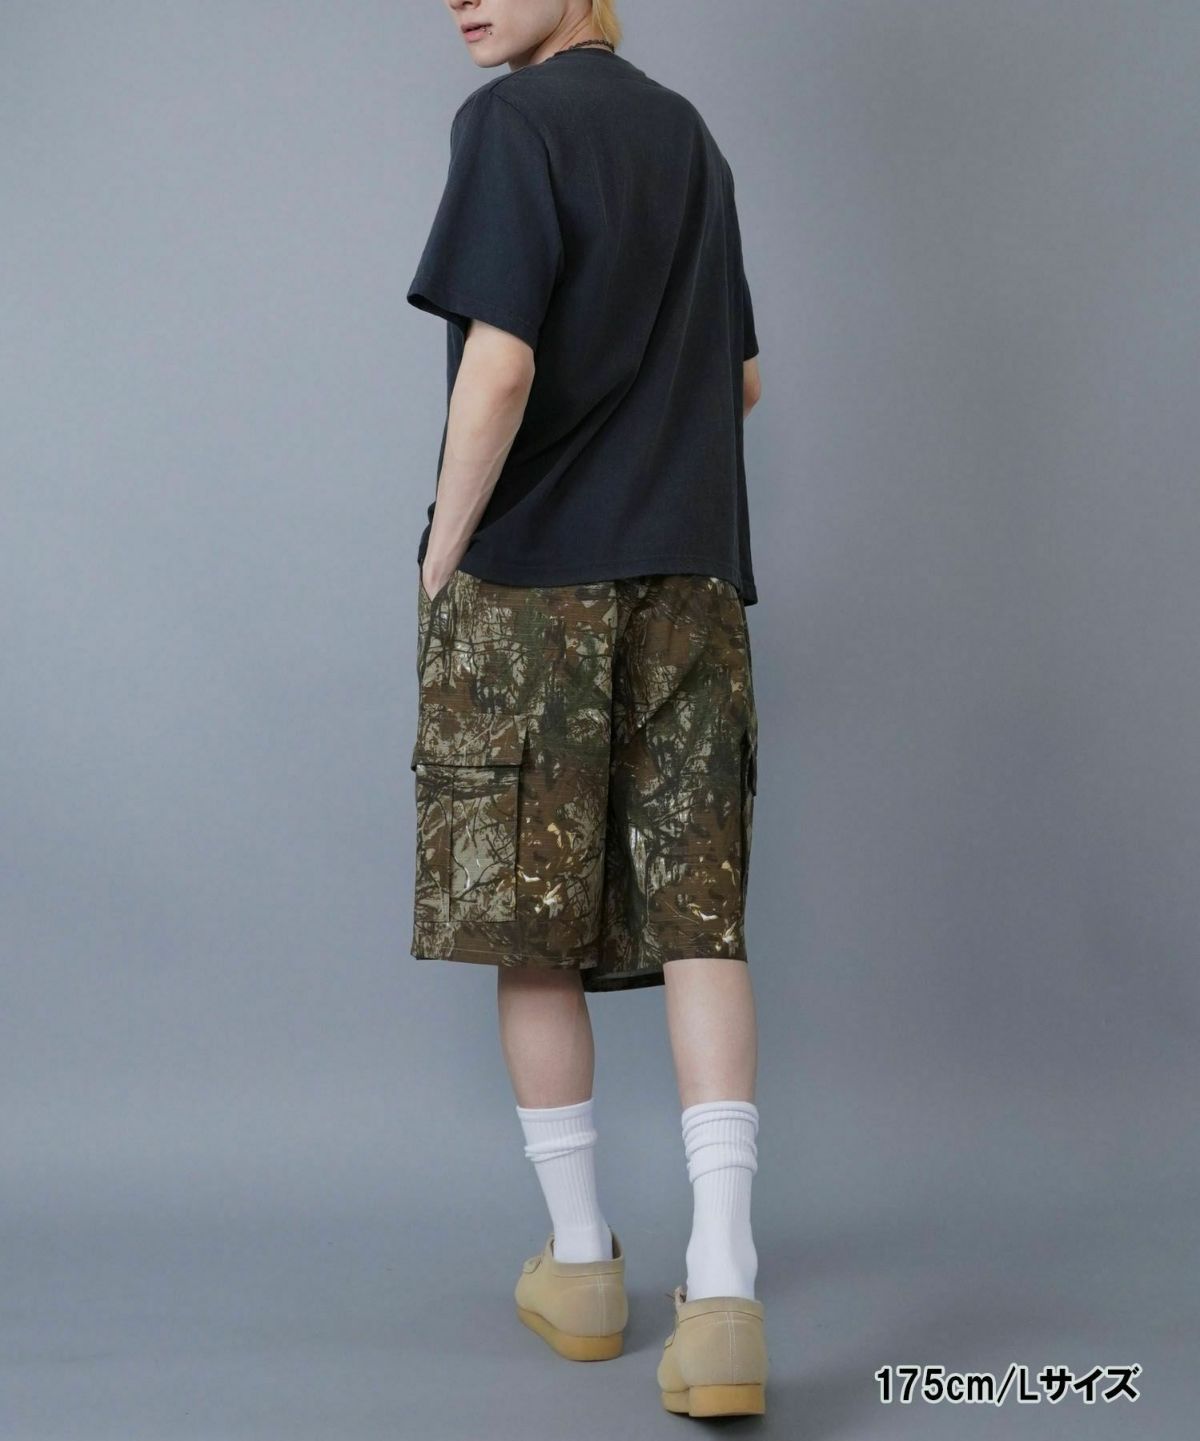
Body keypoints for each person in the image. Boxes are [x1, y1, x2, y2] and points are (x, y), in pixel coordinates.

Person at [406, 0, 768, 1417]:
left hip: (532, 588)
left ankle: (580, 1266)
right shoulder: (690, 137)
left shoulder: (510, 124)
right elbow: (742, 380)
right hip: (693, 579)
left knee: (532, 925)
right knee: (701, 921)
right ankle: (724, 1286)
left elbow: (499, 366)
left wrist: (442, 551)